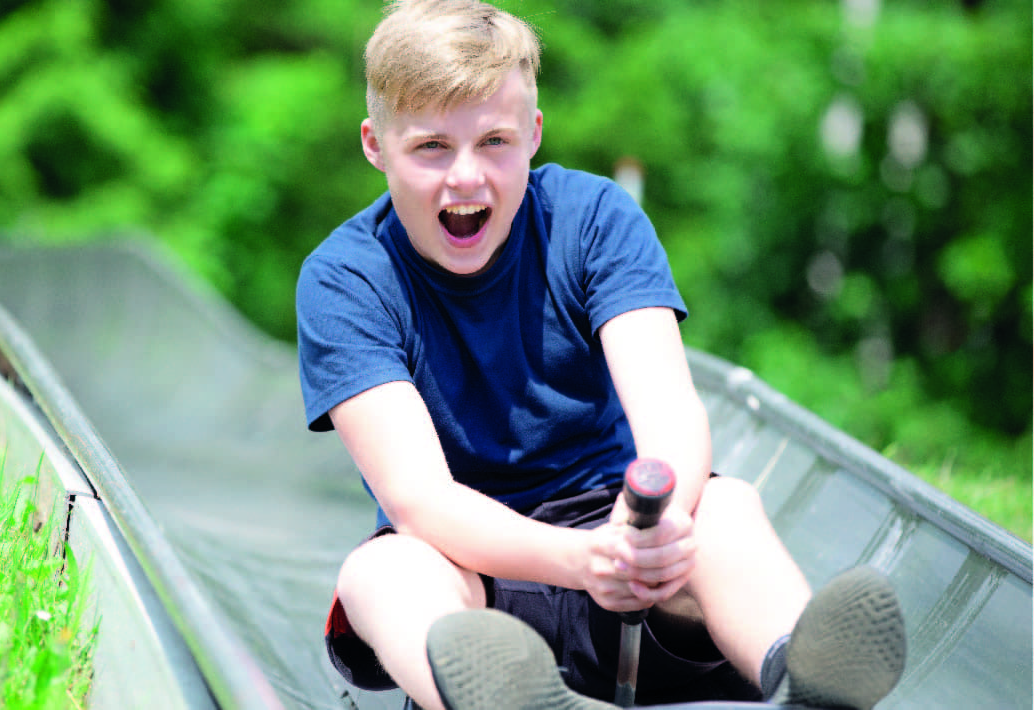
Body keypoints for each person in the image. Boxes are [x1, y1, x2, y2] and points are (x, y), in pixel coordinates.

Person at [295, 1, 906, 708]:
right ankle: (500, 697)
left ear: (533, 133)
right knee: (382, 573)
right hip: (470, 575)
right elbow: (419, 501)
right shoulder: (346, 277)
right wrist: (577, 563)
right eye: (431, 147)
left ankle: (802, 677)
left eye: (493, 140)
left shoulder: (593, 219)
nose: (465, 177)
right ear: (376, 145)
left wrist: (644, 534)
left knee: (723, 506)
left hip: (618, 545)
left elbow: (670, 411)